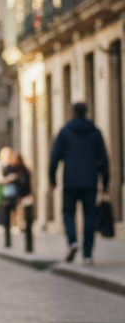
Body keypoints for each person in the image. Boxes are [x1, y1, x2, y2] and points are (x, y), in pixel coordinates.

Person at [50, 102, 110, 265]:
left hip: (70, 181)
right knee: (89, 215)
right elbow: (104, 159)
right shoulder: (95, 132)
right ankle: (88, 254)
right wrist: (105, 182)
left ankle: (73, 241)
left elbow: (54, 157)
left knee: (68, 213)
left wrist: (52, 179)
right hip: (90, 181)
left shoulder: (65, 132)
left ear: (73, 113)